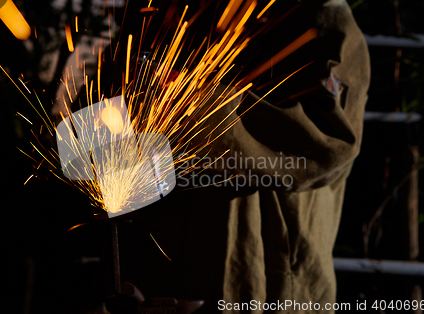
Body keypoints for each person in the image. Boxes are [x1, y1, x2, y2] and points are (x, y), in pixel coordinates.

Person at [51, 0, 371, 313]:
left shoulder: (320, 18)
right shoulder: (165, 12)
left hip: (259, 290)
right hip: (154, 286)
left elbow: (326, 145)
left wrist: (194, 108)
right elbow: (89, 149)